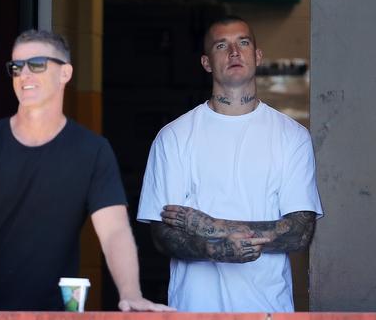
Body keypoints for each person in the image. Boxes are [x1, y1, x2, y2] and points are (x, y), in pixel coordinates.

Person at [0, 30, 173, 312]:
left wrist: (131, 294)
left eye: (37, 64)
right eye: (16, 67)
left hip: (55, 313)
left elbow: (114, 231)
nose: (24, 74)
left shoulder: (92, 151)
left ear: (65, 73)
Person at [137, 16, 324, 312]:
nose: (234, 52)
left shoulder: (292, 136)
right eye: (222, 45)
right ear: (206, 63)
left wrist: (212, 225)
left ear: (258, 56)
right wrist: (218, 249)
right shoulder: (173, 137)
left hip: (266, 310)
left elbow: (299, 231)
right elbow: (163, 234)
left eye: (244, 43)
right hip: (194, 310)